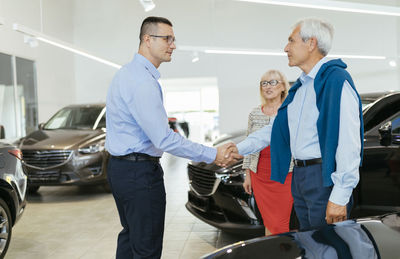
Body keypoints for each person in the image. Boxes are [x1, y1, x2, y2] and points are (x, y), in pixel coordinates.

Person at [105, 16, 241, 259]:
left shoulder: (126, 73)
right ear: (147, 39)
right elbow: (164, 139)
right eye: (167, 38)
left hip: (121, 170)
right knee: (146, 246)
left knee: (131, 236)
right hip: (139, 174)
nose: (173, 45)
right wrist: (213, 153)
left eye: (173, 39)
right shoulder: (142, 81)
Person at [232, 18, 364, 231]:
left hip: (323, 177)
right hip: (300, 177)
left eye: (291, 41)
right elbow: (277, 129)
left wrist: (340, 195)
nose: (286, 48)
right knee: (310, 243)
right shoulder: (301, 88)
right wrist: (237, 148)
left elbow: (349, 141)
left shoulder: (336, 80)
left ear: (311, 43)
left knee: (328, 246)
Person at [242, 69, 293, 235]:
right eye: (264, 83)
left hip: (285, 173)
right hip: (260, 174)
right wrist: (248, 174)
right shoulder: (255, 113)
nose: (268, 86)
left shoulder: (290, 110)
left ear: (283, 87)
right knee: (269, 220)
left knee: (281, 221)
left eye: (273, 82)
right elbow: (250, 144)